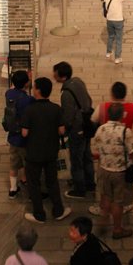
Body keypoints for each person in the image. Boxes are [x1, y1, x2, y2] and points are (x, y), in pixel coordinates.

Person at [20, 76, 71, 223]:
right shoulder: (55, 109)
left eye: (35, 87)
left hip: (33, 153)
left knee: (34, 183)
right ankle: (58, 210)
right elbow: (61, 131)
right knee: (52, 181)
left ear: (38, 91)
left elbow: (24, 133)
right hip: (51, 152)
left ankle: (39, 214)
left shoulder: (29, 110)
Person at [90, 103, 133, 239]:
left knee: (105, 196)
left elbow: (94, 150)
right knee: (118, 201)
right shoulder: (125, 132)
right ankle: (117, 229)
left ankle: (103, 223)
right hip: (119, 172)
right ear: (122, 115)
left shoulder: (101, 129)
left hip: (103, 170)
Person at [90, 82, 133, 217]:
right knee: (125, 185)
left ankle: (103, 208)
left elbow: (93, 120)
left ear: (112, 94)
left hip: (106, 157)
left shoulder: (103, 107)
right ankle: (126, 204)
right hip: (125, 153)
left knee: (104, 187)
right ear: (125, 94)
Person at [53, 61, 95, 199]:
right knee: (87, 156)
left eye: (56, 73)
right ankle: (90, 183)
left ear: (62, 76)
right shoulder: (78, 81)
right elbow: (89, 100)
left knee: (76, 159)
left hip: (77, 129)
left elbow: (68, 116)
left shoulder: (66, 93)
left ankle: (79, 189)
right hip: (87, 125)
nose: (54, 75)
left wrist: (64, 129)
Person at [4, 70, 33, 199]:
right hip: (24, 138)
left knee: (13, 164)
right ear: (26, 83)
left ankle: (13, 189)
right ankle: (26, 180)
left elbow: (12, 89)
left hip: (12, 137)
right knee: (28, 162)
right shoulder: (28, 100)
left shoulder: (9, 94)